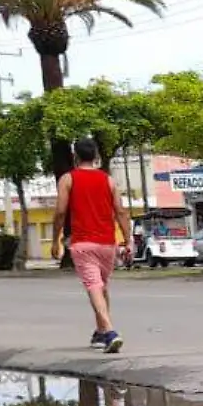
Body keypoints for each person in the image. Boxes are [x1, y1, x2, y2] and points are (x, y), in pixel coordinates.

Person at [54, 137, 132, 353]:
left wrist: (55, 239)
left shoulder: (68, 179)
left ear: (75, 156)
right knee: (101, 286)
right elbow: (121, 212)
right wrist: (128, 240)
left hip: (83, 243)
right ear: (96, 155)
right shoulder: (108, 180)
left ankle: (109, 331)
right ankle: (100, 331)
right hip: (108, 243)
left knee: (93, 286)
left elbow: (60, 212)